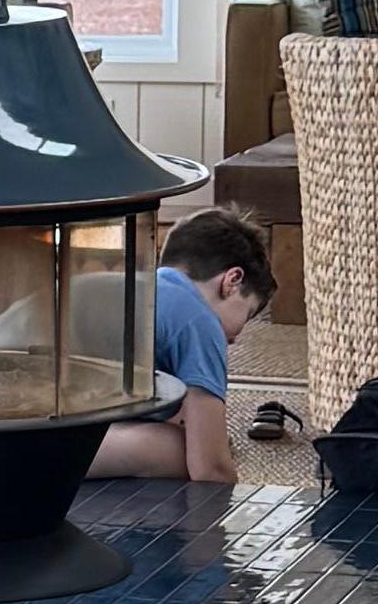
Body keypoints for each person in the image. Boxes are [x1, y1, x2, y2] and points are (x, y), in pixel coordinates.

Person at [92, 202, 277, 483]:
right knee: (186, 451)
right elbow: (210, 470)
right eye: (247, 313)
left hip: (10, 423)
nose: (236, 337)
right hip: (27, 450)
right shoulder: (198, 319)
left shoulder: (138, 286)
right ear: (233, 281)